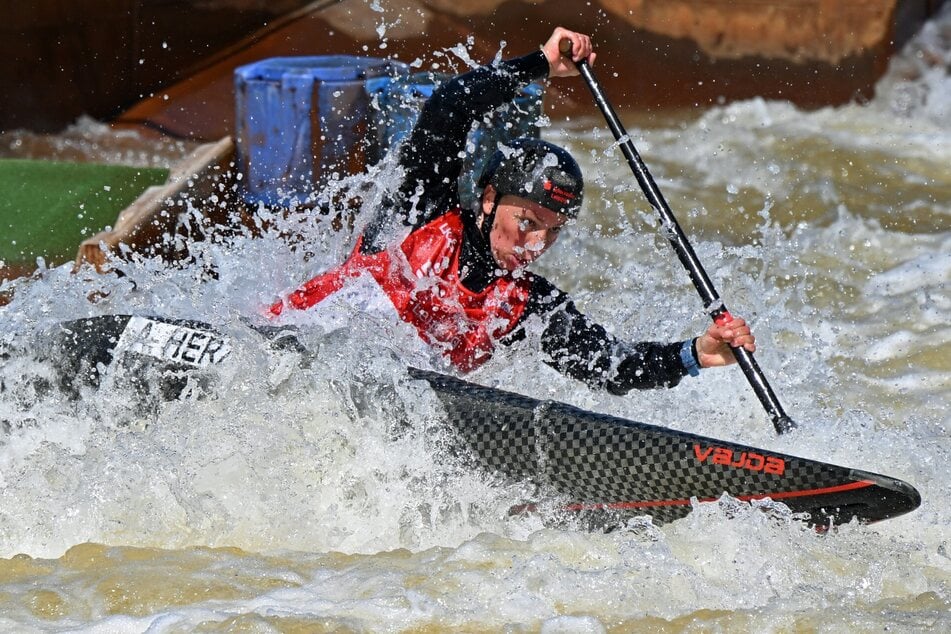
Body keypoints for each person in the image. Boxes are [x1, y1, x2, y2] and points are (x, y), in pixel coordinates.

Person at [269, 27, 756, 395]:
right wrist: (539, 64)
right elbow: (451, 106)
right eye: (526, 224)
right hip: (280, 356)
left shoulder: (526, 305)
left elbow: (611, 365)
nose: (537, 245)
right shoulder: (421, 211)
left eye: (552, 232)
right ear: (487, 200)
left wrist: (697, 353)